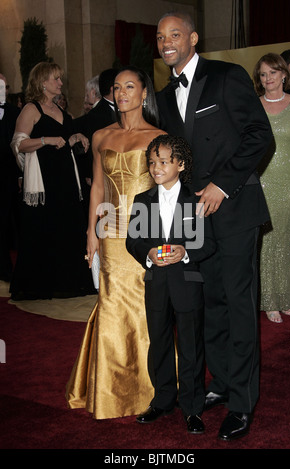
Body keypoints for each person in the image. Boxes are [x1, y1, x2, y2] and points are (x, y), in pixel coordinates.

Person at [155, 12, 273, 441]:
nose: (166, 43)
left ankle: (242, 403)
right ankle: (221, 383)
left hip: (237, 210)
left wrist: (222, 185)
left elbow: (260, 136)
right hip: (195, 218)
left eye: (174, 35)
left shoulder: (226, 76)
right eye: (160, 37)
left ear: (193, 37)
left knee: (240, 309)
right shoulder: (165, 95)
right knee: (213, 306)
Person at [65, 66, 166, 420]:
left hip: (146, 231)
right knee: (110, 302)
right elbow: (97, 187)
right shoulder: (100, 136)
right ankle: (110, 391)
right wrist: (91, 231)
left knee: (147, 305)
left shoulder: (160, 136)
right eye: (117, 87)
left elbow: (166, 191)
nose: (122, 93)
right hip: (109, 230)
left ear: (143, 94)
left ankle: (154, 387)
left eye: (130, 86)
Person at [126, 134, 216, 434]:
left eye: (164, 161)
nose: (156, 167)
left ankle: (192, 407)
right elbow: (132, 240)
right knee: (160, 343)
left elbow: (209, 243)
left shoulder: (195, 200)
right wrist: (148, 253)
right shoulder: (143, 200)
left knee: (190, 347)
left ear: (180, 164)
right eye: (152, 162)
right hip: (156, 282)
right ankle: (163, 399)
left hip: (187, 282)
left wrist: (186, 251)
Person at [9, 62, 95, 300]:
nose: (60, 83)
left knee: (68, 229)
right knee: (44, 229)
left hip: (66, 180)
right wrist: (45, 140)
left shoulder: (62, 110)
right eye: (56, 79)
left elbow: (64, 140)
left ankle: (69, 282)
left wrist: (76, 136)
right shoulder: (31, 109)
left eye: (60, 78)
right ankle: (42, 284)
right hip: (44, 183)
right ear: (43, 82)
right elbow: (18, 144)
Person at [253, 53, 290, 323]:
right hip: (261, 181)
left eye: (273, 72)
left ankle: (283, 296)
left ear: (285, 74)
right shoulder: (253, 106)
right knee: (264, 240)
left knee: (285, 240)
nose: (268, 78)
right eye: (263, 74)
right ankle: (267, 299)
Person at [72, 69, 119, 218]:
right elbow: (92, 150)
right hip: (104, 181)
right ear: (113, 88)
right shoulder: (95, 115)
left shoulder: (124, 109)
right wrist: (90, 175)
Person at [0, 73, 20, 282]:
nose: (3, 91)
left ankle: (10, 268)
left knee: (10, 222)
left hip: (11, 177)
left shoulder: (16, 113)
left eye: (5, 87)